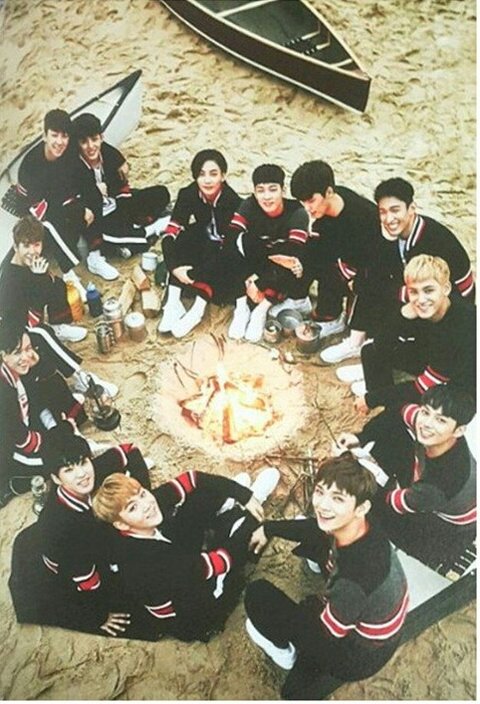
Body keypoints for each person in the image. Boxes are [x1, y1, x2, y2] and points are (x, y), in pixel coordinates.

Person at [244, 455, 408, 700]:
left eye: (338, 498)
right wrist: (269, 528)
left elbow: (328, 632)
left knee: (258, 596)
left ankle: (285, 654)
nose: (322, 505)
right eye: (320, 492)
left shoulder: (353, 580)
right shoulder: (362, 523)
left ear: (361, 507)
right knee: (316, 532)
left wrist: (308, 612)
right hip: (374, 622)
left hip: (358, 654)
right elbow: (314, 528)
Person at [91, 467, 280, 642]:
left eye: (142, 493)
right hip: (196, 613)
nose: (146, 505)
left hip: (176, 562)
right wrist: (253, 508)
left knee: (198, 497)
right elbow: (222, 561)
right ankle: (253, 504)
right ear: (121, 524)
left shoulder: (144, 511)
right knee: (238, 536)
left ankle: (230, 505)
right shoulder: (151, 559)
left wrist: (243, 495)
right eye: (133, 507)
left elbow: (192, 478)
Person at [8, 421, 151, 636]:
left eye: (83, 462)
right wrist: (100, 616)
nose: (81, 474)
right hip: (65, 574)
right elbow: (87, 581)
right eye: (69, 470)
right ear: (56, 479)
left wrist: (142, 495)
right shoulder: (64, 527)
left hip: (86, 539)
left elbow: (129, 451)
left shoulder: (88, 474)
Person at [329, 177, 475, 376]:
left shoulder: (432, 239)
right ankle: (358, 343)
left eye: (395, 210)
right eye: (383, 212)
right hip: (419, 289)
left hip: (449, 301)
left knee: (391, 301)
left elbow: (447, 292)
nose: (389, 218)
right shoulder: (394, 234)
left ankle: (380, 362)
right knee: (371, 281)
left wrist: (395, 294)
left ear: (411, 208)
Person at [336, 385, 476, 567]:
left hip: (448, 531)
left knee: (370, 505)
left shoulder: (440, 484)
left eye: (440, 420)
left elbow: (389, 502)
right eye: (426, 412)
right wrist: (361, 437)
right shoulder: (427, 424)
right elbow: (398, 411)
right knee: (394, 432)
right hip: (428, 486)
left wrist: (355, 472)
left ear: (459, 431)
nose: (427, 424)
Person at [353, 254, 476, 414]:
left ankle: (394, 413)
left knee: (434, 398)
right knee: (370, 351)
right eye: (414, 292)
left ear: (446, 289)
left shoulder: (461, 324)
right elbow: (380, 345)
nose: (421, 299)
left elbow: (424, 386)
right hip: (434, 356)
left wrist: (371, 399)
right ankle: (390, 410)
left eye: (428, 290)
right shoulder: (421, 307)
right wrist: (403, 315)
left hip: (465, 382)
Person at [290, 160, 380, 357]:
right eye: (303, 202)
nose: (307, 208)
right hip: (345, 258)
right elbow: (319, 249)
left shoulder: (362, 216)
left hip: (372, 265)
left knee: (360, 285)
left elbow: (375, 260)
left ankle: (355, 341)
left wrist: (350, 277)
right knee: (308, 255)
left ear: (329, 191)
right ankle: (328, 315)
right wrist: (301, 263)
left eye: (311, 201)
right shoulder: (323, 215)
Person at [0, 322, 86, 507]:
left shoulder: (11, 373)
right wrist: (61, 433)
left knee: (62, 429)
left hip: (22, 428)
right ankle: (13, 483)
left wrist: (58, 429)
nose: (26, 357)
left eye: (28, 348)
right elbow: (23, 442)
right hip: (9, 451)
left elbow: (37, 398)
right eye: (17, 352)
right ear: (2, 355)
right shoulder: (3, 393)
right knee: (65, 460)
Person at [159, 149, 241, 337]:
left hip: (224, 248)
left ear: (223, 176)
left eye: (213, 174)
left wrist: (192, 274)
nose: (207, 180)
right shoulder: (188, 194)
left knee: (223, 258)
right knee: (181, 237)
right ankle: (173, 302)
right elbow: (171, 232)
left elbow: (230, 248)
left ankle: (198, 308)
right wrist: (174, 268)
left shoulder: (233, 202)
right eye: (202, 174)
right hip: (205, 238)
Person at [227, 164, 311, 343]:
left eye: (273, 189)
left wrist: (259, 282)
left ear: (283, 190)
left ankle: (262, 309)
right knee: (239, 243)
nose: (266, 196)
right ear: (254, 192)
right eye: (261, 190)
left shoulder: (297, 212)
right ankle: (241, 307)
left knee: (295, 261)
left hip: (280, 266)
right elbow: (230, 239)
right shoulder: (249, 205)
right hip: (261, 261)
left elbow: (291, 255)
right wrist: (250, 278)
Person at [72, 113, 170, 262]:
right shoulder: (74, 167)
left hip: (117, 205)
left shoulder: (108, 155)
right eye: (84, 142)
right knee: (105, 235)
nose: (91, 146)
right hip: (99, 217)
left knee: (161, 193)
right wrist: (95, 191)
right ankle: (150, 230)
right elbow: (77, 201)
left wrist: (126, 210)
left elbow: (121, 188)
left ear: (101, 138)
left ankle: (132, 237)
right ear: (77, 144)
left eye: (94, 139)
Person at [16, 109, 94, 296]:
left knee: (85, 206)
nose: (60, 142)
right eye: (54, 135)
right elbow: (42, 213)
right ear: (44, 136)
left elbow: (94, 142)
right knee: (52, 224)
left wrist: (119, 160)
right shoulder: (30, 167)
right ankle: (69, 273)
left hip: (56, 198)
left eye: (64, 136)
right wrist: (78, 211)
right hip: (32, 210)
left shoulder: (68, 150)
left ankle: (93, 251)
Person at [0, 215, 87, 343]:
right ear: (15, 247)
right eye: (26, 246)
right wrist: (38, 279)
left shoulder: (30, 258)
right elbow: (28, 315)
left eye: (36, 245)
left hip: (30, 292)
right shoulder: (9, 280)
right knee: (44, 285)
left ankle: (58, 325)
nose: (32, 251)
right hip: (18, 323)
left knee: (56, 283)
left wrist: (42, 278)